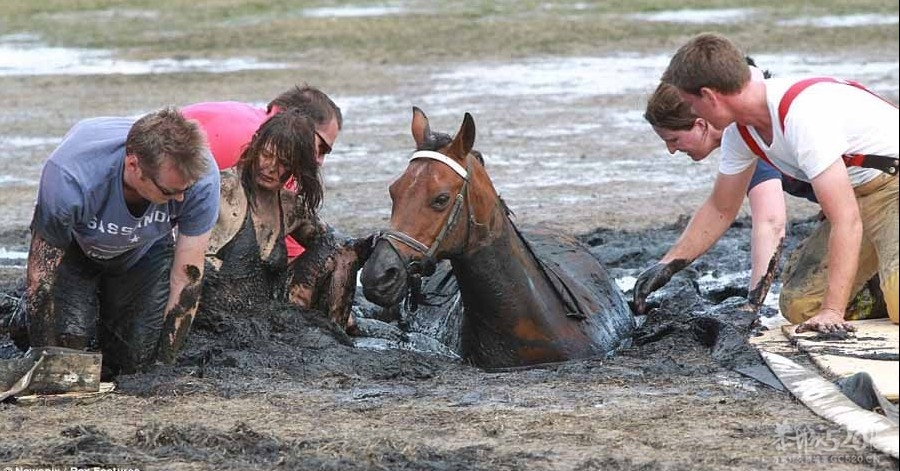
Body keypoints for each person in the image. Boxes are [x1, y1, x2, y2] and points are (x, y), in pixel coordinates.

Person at [634, 32, 898, 334]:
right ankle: (882, 279)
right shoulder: (740, 132)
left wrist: (832, 310)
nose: (693, 113)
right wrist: (668, 264)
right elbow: (721, 208)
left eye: (691, 103)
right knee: (800, 306)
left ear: (709, 96)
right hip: (858, 199)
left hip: (892, 188)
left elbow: (845, 219)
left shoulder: (801, 117)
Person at [11, 107, 220, 375]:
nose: (180, 200)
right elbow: (42, 277)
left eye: (185, 191)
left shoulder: (200, 180)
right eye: (170, 192)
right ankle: (22, 318)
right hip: (76, 248)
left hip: (145, 249)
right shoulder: (70, 175)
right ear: (133, 166)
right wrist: (48, 362)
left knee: (135, 361)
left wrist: (162, 367)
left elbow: (187, 277)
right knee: (69, 345)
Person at [644, 64, 818, 308]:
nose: (672, 150)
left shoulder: (749, 131)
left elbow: (770, 222)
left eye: (673, 139)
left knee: (802, 304)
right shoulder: (739, 137)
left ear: (701, 124)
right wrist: (667, 265)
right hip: (847, 202)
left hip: (879, 192)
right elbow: (719, 208)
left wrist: (753, 305)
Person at [182, 85, 342, 260]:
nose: (320, 160)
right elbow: (284, 246)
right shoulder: (264, 149)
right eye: (321, 148)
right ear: (300, 124)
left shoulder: (252, 122)